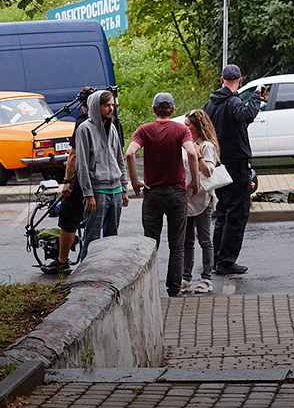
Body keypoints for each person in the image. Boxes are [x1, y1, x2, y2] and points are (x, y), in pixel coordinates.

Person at [126, 93, 200, 297]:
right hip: (176, 193)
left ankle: (149, 289)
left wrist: (135, 181)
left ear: (153, 110)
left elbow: (129, 153)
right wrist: (194, 181)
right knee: (177, 244)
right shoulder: (182, 130)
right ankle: (173, 289)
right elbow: (192, 153)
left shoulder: (144, 130)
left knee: (150, 244)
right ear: (173, 110)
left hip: (152, 193)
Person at [204, 64, 263, 275]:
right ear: (239, 80)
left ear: (222, 80)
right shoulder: (233, 102)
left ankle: (216, 258)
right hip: (237, 165)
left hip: (219, 164)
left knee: (223, 212)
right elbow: (246, 114)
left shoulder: (210, 104)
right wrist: (256, 96)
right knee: (237, 214)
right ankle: (227, 261)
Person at [42, 86, 97, 275]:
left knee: (68, 217)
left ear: (84, 105)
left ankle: (61, 260)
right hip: (106, 180)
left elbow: (73, 154)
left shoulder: (83, 122)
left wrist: (67, 181)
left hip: (83, 180)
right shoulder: (115, 121)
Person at [75, 89, 129, 261]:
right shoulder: (85, 129)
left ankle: (106, 273)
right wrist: (88, 193)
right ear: (95, 107)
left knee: (112, 239)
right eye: (106, 105)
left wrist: (124, 188)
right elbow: (81, 164)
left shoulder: (112, 127)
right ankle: (84, 274)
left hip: (116, 191)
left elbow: (119, 158)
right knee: (92, 239)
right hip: (98, 192)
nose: (111, 109)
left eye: (112, 105)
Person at [181, 109, 219, 294]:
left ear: (197, 127)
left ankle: (206, 278)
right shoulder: (186, 144)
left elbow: (208, 172)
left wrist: (198, 154)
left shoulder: (206, 146)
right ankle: (186, 277)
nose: (185, 128)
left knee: (204, 239)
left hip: (203, 198)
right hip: (187, 198)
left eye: (188, 125)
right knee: (187, 240)